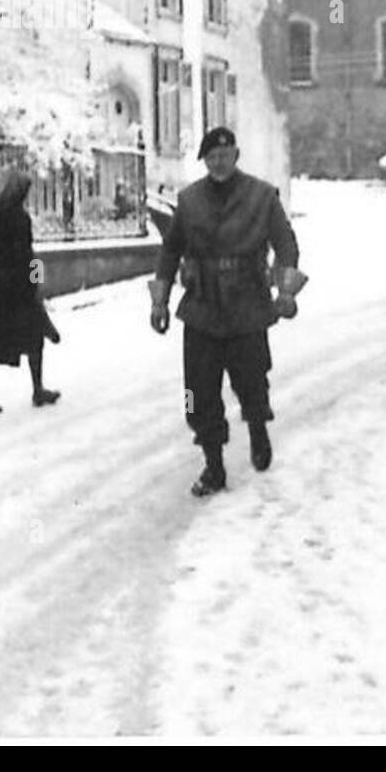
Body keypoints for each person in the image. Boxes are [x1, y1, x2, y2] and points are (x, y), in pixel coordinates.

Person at [149, 127, 304, 497]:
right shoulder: (188, 201)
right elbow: (170, 252)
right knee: (197, 392)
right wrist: (160, 300)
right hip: (202, 308)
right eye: (212, 157)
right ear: (204, 160)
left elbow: (286, 244)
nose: (219, 162)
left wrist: (285, 289)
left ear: (236, 156)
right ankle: (213, 466)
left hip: (248, 304)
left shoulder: (262, 196)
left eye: (226, 155)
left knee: (252, 379)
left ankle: (258, 428)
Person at [0, 166, 61, 415]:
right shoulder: (20, 220)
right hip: (17, 292)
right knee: (33, 338)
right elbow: (29, 256)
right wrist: (37, 281)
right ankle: (38, 389)